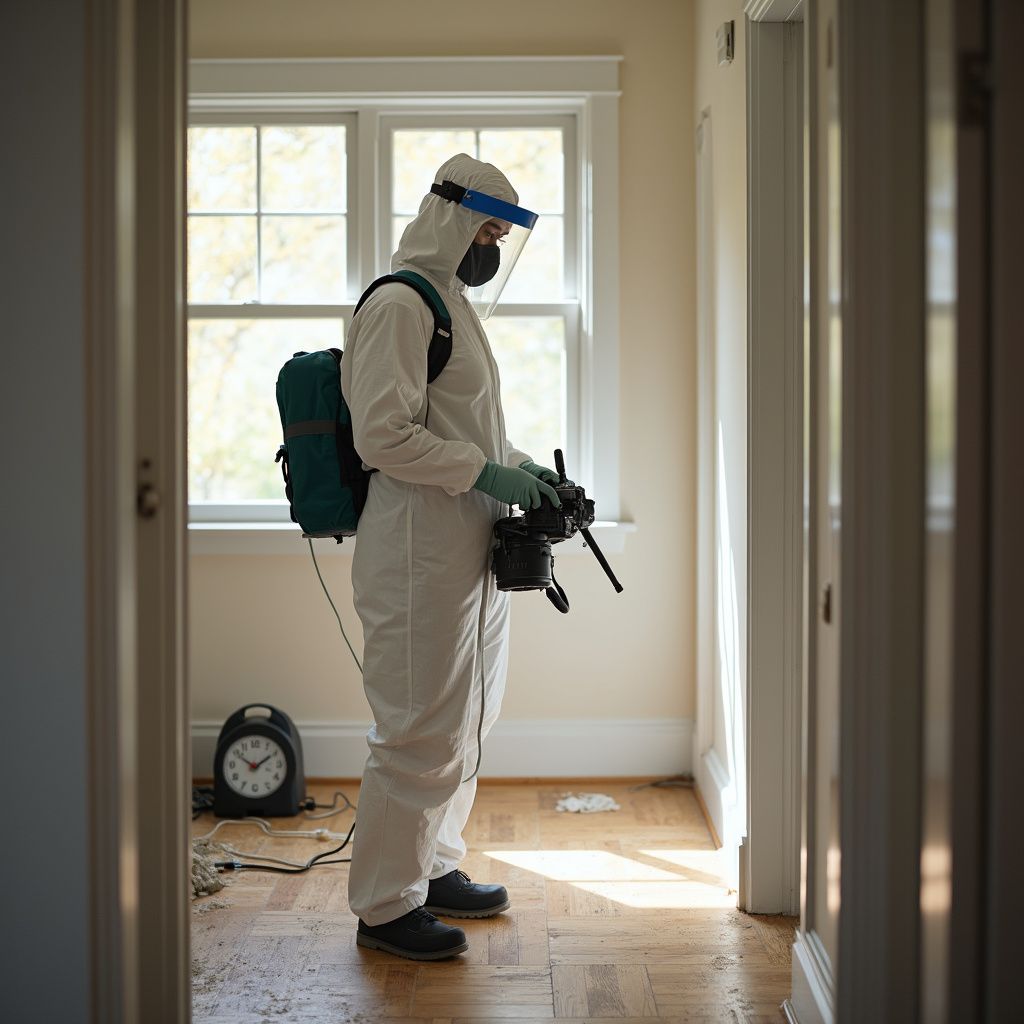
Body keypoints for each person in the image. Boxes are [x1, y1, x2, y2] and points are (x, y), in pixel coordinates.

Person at [340, 153, 561, 961]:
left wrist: (521, 466)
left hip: (470, 542)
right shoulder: (402, 303)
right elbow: (383, 435)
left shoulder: (456, 307)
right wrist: (489, 472)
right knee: (418, 728)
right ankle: (383, 907)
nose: (493, 244)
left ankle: (432, 868)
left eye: (504, 232)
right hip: (416, 552)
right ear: (452, 217)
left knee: (470, 717)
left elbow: (469, 431)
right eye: (488, 227)